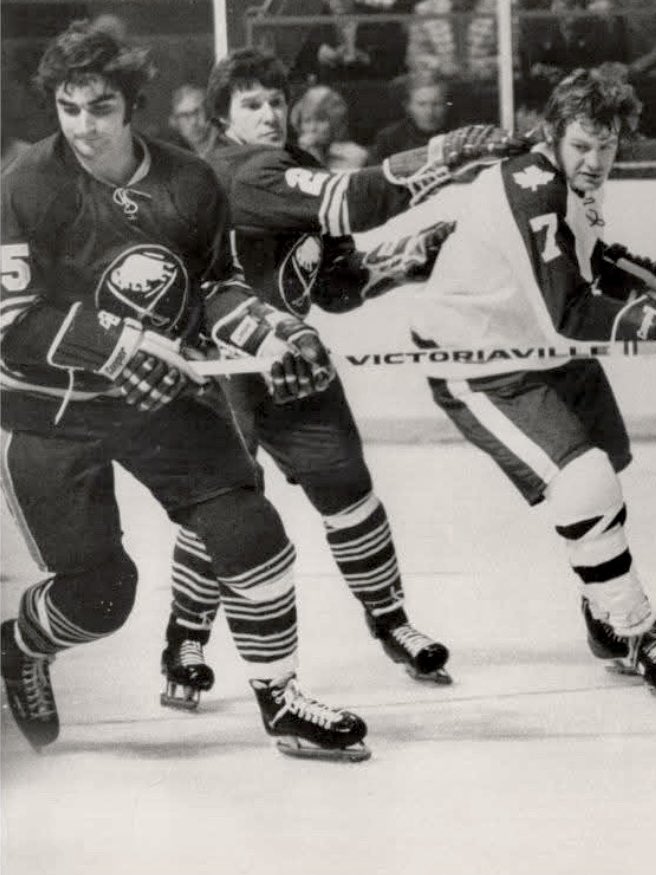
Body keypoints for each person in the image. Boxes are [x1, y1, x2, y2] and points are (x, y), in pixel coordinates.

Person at [0, 21, 371, 761]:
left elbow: (213, 289)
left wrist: (275, 335)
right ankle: (18, 645)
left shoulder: (190, 181)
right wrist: (114, 349)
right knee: (101, 595)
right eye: (68, 108)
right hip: (51, 411)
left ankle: (281, 699)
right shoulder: (25, 185)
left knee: (250, 528)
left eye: (100, 107)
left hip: (157, 400)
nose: (82, 126)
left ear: (132, 105)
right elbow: (11, 321)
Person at [157, 47, 528, 709]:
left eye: (274, 100)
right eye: (251, 103)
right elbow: (350, 200)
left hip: (294, 360)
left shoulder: (286, 168)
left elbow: (336, 288)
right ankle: (185, 639)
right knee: (224, 509)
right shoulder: (241, 171)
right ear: (223, 116)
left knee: (349, 490)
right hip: (225, 368)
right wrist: (443, 154)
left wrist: (407, 261)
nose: (268, 113)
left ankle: (389, 621)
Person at [408, 67, 656, 698]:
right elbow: (569, 313)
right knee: (584, 481)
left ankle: (603, 612)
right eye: (582, 147)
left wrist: (640, 290)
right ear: (553, 138)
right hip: (482, 361)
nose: (595, 162)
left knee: (606, 470)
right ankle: (634, 625)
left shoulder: (572, 183)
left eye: (608, 147)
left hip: (537, 342)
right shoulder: (532, 183)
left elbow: (582, 268)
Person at [369, 70, 454, 164]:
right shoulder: (389, 139)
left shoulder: (462, 134)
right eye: (422, 104)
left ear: (446, 105)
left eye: (436, 104)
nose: (429, 112)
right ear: (408, 106)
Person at [291, 84, 369, 169]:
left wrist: (316, 157)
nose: (313, 128)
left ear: (335, 122)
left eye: (320, 120)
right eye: (307, 121)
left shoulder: (354, 155)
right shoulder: (290, 157)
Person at [165, 84, 217, 157]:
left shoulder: (229, 140)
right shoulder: (177, 156)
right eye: (185, 116)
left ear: (207, 112)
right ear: (174, 122)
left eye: (197, 112)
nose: (193, 122)